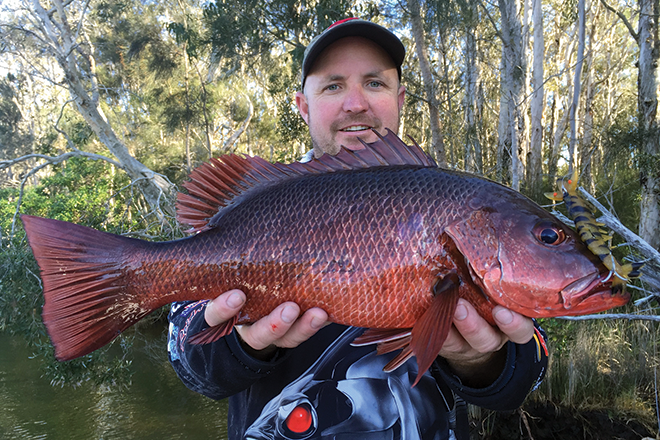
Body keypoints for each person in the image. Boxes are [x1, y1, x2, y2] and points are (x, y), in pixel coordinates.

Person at [168, 18, 548, 440]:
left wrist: (481, 362)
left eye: (374, 83)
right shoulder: (258, 207)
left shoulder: (461, 204)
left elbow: (528, 371)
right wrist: (241, 345)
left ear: (399, 98)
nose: (355, 103)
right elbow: (189, 361)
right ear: (303, 104)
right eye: (332, 86)